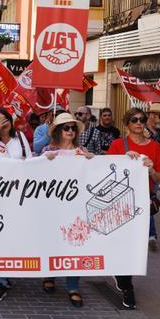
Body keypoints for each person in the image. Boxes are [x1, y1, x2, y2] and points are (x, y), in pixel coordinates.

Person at [107, 108, 160, 310]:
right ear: (127, 124)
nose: (139, 123)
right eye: (134, 120)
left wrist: (150, 170)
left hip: (142, 204)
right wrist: (124, 159)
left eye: (142, 119)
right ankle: (126, 285)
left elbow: (159, 176)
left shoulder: (155, 147)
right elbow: (107, 172)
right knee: (122, 242)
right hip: (120, 203)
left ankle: (124, 278)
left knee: (135, 246)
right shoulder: (117, 145)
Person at [41, 112, 93, 308]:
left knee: (75, 245)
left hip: (75, 207)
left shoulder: (82, 152)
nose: (70, 131)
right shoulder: (47, 150)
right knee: (52, 241)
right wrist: (45, 160)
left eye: (73, 127)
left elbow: (94, 173)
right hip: (52, 205)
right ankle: (49, 275)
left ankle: (73, 286)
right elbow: (34, 174)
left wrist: (92, 160)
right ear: (57, 131)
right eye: (66, 127)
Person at [0, 107, 31, 301]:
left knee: (12, 237)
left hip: (18, 196)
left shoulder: (20, 138)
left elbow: (31, 162)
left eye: (6, 118)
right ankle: (0, 281)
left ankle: (5, 275)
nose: (4, 121)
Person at [145, 103, 160, 250]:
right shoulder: (140, 129)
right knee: (146, 202)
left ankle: (150, 235)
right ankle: (151, 235)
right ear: (151, 115)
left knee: (151, 202)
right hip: (141, 173)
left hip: (154, 172)